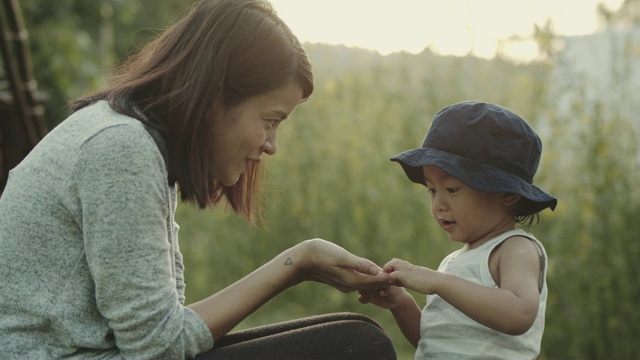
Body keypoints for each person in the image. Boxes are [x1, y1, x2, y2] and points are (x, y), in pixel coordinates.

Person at [0, 0, 397, 359]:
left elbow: (161, 333)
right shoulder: (120, 148)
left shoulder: (137, 142)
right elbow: (160, 347)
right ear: (215, 97)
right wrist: (296, 264)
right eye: (269, 120)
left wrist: (302, 262)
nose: (272, 145)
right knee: (356, 347)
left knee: (355, 334)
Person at [359, 101, 557, 359]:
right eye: (432, 190)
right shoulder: (455, 262)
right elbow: (435, 342)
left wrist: (437, 281)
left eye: (452, 189)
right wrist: (402, 303)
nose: (438, 205)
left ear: (506, 193)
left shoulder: (515, 248)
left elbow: (519, 314)